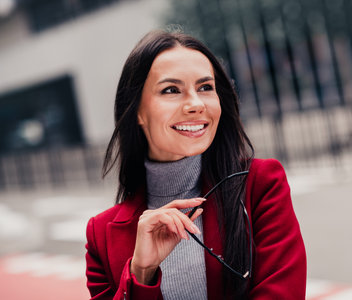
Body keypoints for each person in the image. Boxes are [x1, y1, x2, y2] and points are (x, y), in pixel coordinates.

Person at [85, 30, 306, 300]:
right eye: (171, 90)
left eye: (205, 87)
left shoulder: (261, 185)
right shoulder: (100, 235)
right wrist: (141, 272)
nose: (195, 104)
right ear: (138, 112)